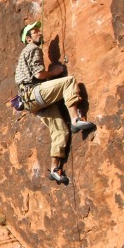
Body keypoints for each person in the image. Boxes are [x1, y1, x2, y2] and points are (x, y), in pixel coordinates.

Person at [14, 21, 96, 184]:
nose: (39, 33)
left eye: (38, 31)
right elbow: (38, 74)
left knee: (60, 131)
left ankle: (55, 169)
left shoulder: (25, 53)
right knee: (69, 82)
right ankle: (75, 119)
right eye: (35, 32)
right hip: (34, 93)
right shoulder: (32, 49)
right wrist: (54, 72)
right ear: (29, 39)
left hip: (31, 101)